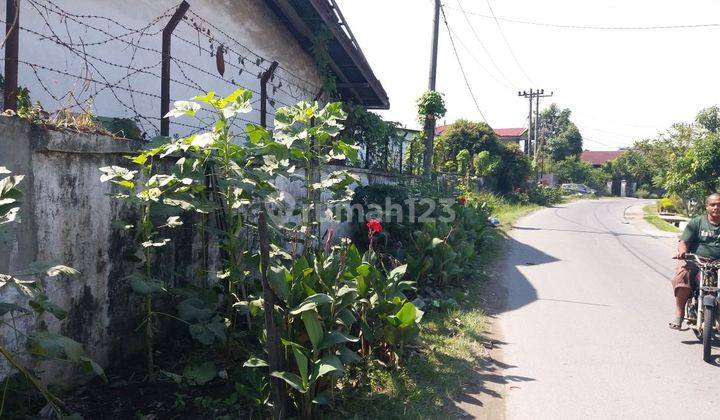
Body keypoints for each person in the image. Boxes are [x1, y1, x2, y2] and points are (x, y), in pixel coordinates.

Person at [669, 193, 720, 329]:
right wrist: (682, 251)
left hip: (718, 263)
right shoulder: (697, 222)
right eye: (713, 204)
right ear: (707, 207)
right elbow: (683, 241)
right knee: (683, 275)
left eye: (719, 205)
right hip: (696, 261)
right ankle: (679, 315)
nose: (716, 207)